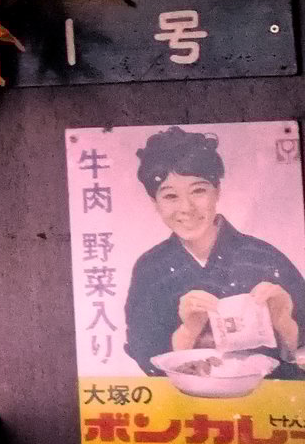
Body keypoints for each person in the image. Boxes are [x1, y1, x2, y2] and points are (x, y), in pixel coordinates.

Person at [121, 127, 305, 373]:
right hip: (184, 408)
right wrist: (187, 332)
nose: (186, 208)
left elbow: (298, 356)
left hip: (263, 405)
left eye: (198, 190)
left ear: (217, 190)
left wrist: (284, 322)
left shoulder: (265, 258)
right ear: (155, 203)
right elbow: (147, 359)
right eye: (170, 196)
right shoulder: (150, 269)